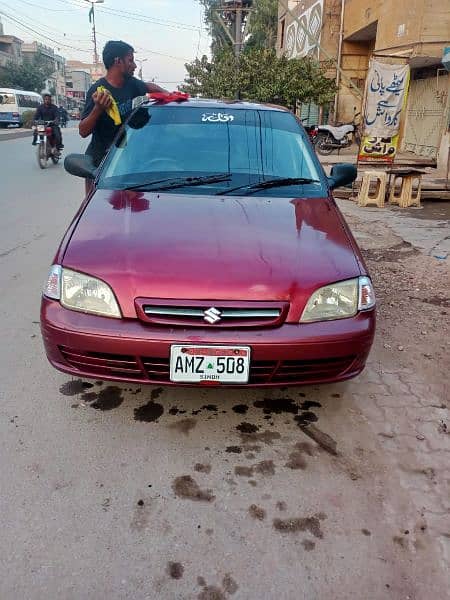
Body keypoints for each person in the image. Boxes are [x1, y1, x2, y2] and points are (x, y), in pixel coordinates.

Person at [79, 40, 167, 169]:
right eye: (130, 60)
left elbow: (149, 86)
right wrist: (98, 109)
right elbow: (83, 131)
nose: (135, 66)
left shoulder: (132, 84)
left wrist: (171, 95)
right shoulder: (98, 91)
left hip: (129, 157)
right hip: (101, 163)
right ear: (118, 61)